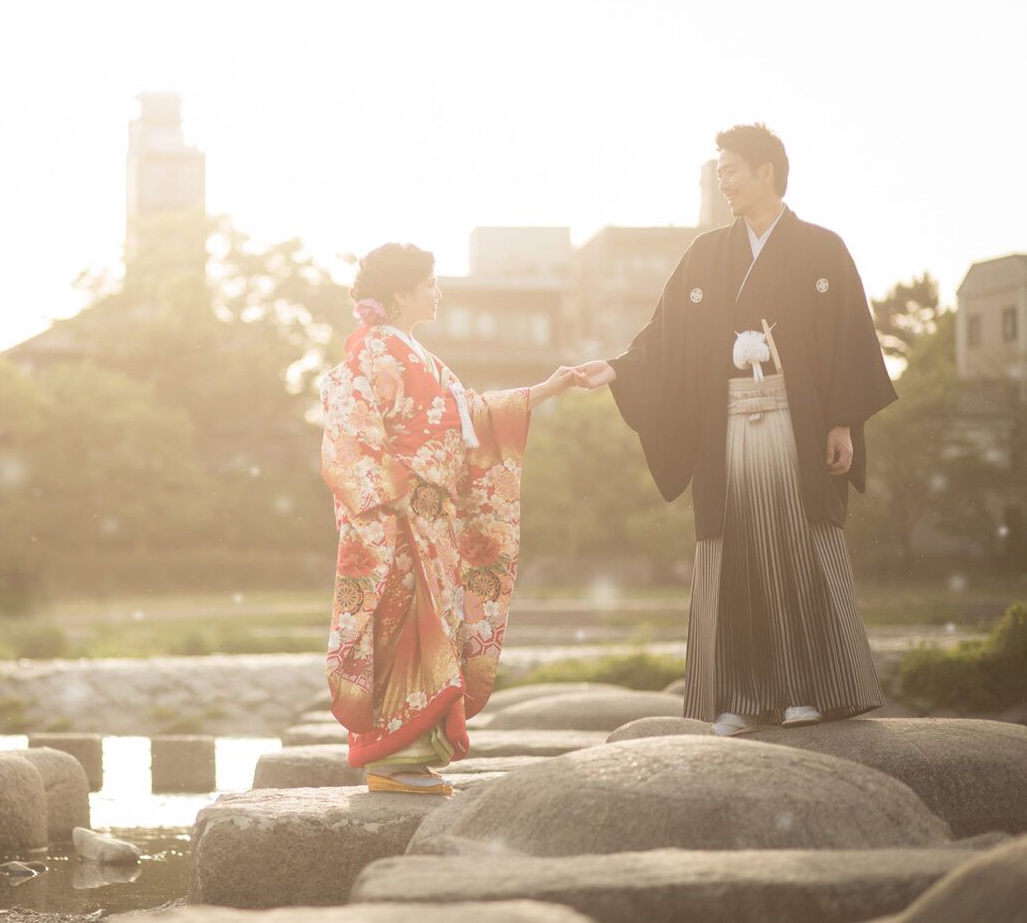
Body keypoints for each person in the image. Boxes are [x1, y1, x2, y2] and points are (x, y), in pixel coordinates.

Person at [575, 124, 897, 737]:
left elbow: (849, 343)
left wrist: (842, 424)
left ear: (766, 171)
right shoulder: (706, 256)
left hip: (797, 427)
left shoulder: (822, 249)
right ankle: (743, 698)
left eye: (731, 170)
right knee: (734, 557)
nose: (723, 181)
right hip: (727, 431)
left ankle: (813, 689)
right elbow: (664, 336)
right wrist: (616, 367)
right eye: (718, 171)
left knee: (799, 545)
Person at [320, 242, 587, 794]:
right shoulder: (370, 354)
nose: (437, 293)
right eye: (430, 285)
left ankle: (411, 756)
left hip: (432, 521)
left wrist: (548, 387)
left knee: (432, 632)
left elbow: (476, 416)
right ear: (402, 295)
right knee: (401, 630)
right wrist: (400, 487)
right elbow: (348, 439)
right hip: (397, 521)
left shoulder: (420, 356)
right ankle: (390, 759)